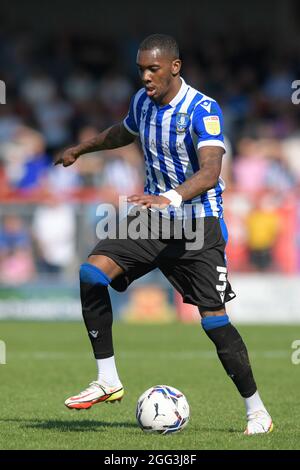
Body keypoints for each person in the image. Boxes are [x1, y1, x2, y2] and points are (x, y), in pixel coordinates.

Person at [55, 34, 273, 435]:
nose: (145, 77)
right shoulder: (142, 102)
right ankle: (108, 379)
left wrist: (169, 197)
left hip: (197, 225)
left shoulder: (202, 109)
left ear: (175, 67)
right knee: (91, 273)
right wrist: (81, 149)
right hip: (155, 219)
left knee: (214, 322)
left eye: (153, 69)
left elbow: (211, 172)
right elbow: (123, 133)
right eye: (141, 69)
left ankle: (256, 409)